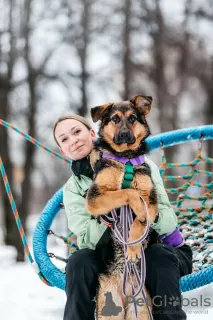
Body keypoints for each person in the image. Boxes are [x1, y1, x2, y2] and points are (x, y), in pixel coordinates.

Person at [53, 114, 193, 320]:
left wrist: (140, 210)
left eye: (76, 132)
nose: (73, 140)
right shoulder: (73, 189)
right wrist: (112, 209)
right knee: (79, 262)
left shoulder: (138, 163)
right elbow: (85, 237)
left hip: (159, 250)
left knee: (158, 257)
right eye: (64, 139)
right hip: (110, 257)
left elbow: (168, 222)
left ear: (92, 133)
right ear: (62, 150)